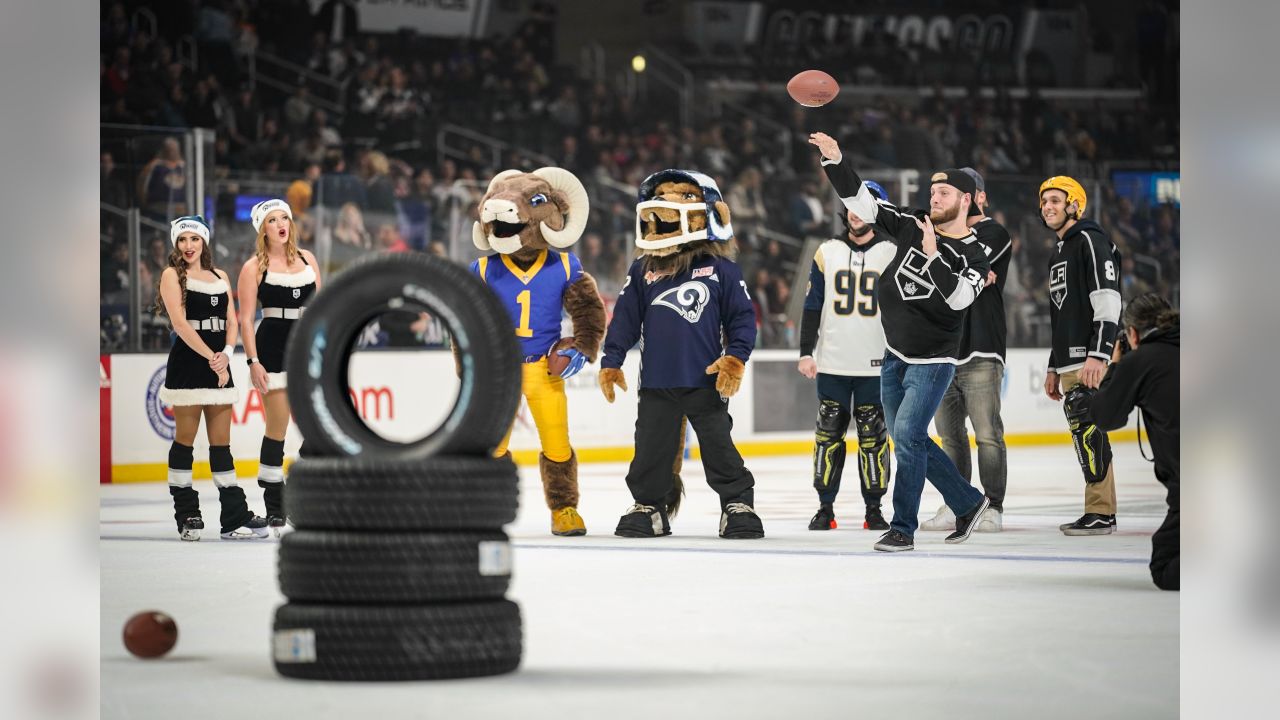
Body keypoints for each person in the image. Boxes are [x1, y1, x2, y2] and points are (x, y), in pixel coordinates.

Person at [810, 132, 991, 553]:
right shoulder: (914, 223)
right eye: (932, 190)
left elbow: (961, 297)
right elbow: (864, 205)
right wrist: (836, 162)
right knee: (908, 438)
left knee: (908, 433)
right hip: (894, 357)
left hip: (933, 362)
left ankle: (902, 527)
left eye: (943, 192)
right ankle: (969, 503)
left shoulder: (974, 254)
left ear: (966, 200)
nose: (934, 197)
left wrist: (932, 255)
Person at [156, 215, 268, 541]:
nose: (188, 246)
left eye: (194, 239)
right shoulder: (171, 276)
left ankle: (234, 517)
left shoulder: (220, 275)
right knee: (185, 440)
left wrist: (226, 354)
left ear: (204, 240)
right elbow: (179, 324)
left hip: (219, 359)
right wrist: (212, 358)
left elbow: (232, 321)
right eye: (182, 240)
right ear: (175, 244)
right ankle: (187, 513)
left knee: (222, 445)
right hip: (190, 361)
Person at [796, 181, 896, 532]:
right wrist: (806, 352)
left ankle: (874, 508)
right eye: (850, 205)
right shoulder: (827, 251)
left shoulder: (891, 252)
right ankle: (825, 507)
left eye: (862, 205)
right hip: (833, 360)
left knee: (874, 435)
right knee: (828, 431)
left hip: (876, 362)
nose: (854, 212)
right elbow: (812, 305)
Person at [922, 167, 1013, 532]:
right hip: (944, 350)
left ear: (977, 197)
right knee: (950, 437)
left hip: (981, 347)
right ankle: (958, 503)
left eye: (964, 191)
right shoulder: (940, 233)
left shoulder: (994, 232)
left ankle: (993, 506)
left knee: (987, 433)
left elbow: (968, 270)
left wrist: (941, 257)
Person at [1039, 176, 1124, 536]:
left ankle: (1102, 513)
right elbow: (1061, 314)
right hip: (1072, 360)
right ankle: (1098, 510)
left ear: (1075, 204)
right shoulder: (1059, 250)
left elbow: (1108, 300)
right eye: (1044, 202)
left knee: (1090, 432)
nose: (1048, 207)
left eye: (1056, 201)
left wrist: (1100, 354)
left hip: (1091, 360)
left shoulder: (1090, 240)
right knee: (1085, 433)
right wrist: (1054, 365)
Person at [236, 199, 322, 535]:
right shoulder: (252, 268)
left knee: (317, 426)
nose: (281, 224)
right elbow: (245, 320)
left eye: (284, 217)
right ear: (263, 229)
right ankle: (275, 505)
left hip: (305, 343)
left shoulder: (307, 259)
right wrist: (253, 361)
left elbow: (323, 305)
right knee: (277, 429)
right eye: (273, 220)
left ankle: (297, 486)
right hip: (271, 343)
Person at [1089, 293, 1179, 590]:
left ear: (1133, 333)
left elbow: (1105, 417)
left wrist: (1116, 366)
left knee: (1165, 566)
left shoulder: (1141, 361)